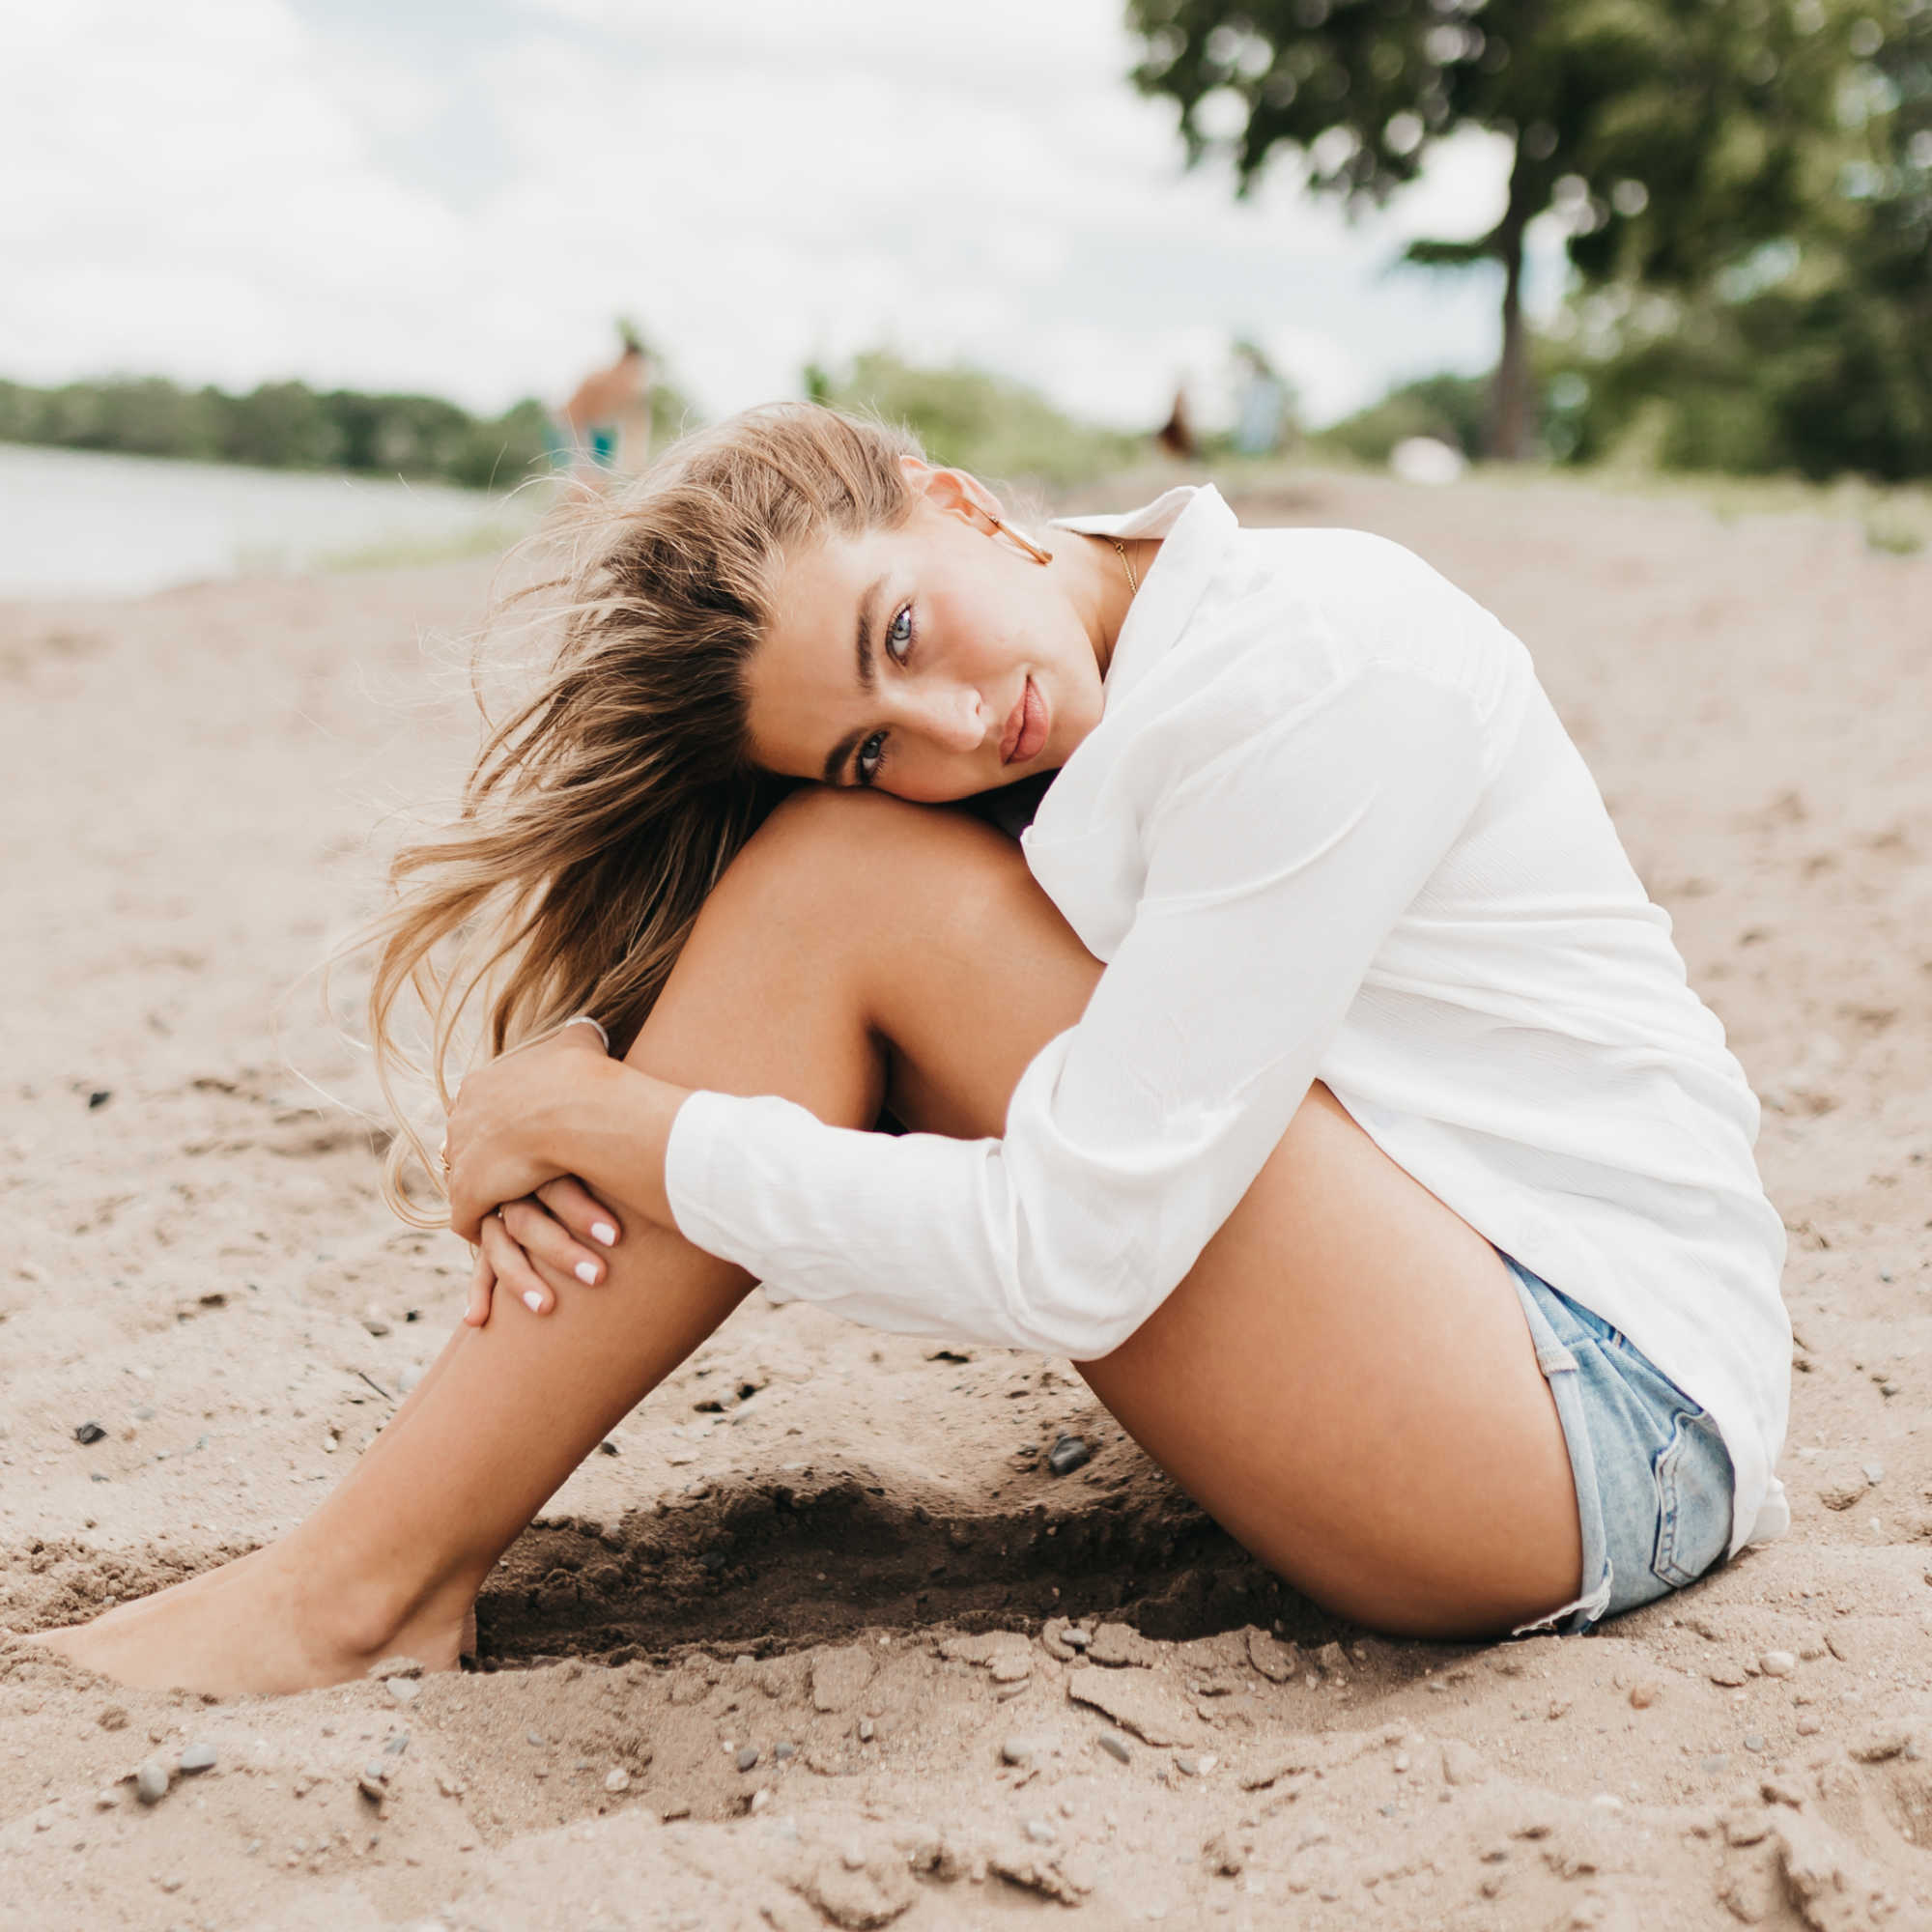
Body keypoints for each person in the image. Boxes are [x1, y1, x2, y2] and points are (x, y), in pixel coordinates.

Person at [29, 405, 1789, 1696]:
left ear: (958, 503)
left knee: (838, 888)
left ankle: (360, 1587)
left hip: (1599, 1422)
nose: (952, 724)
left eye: (901, 632)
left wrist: (628, 1130)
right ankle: (375, 1567)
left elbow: (1073, 1256)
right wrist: (608, 1090)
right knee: (828, 875)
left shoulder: (1307, 669)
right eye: (874, 744)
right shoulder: (1096, 698)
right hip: (1507, 1344)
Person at [548, 322, 654, 485]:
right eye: (633, 366)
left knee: (603, 484)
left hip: (598, 433)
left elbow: (636, 426)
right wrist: (583, 457)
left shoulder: (632, 389)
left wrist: (638, 461)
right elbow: (574, 416)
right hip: (569, 429)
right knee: (580, 484)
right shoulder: (598, 379)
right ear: (624, 360)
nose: (636, 372)